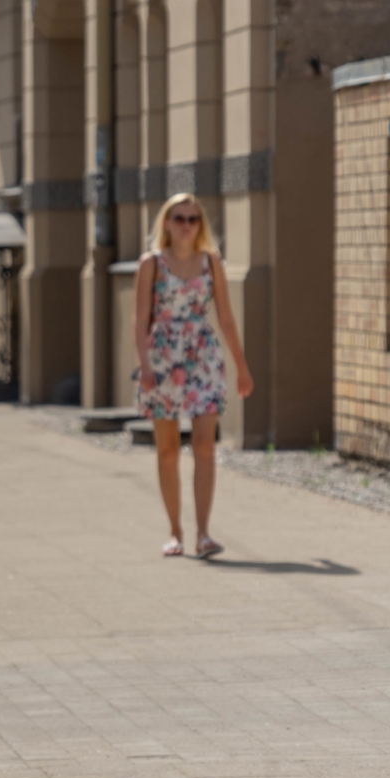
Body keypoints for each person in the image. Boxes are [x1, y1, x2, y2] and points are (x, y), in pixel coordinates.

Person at [133, 192, 254, 559]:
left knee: (204, 446)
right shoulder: (151, 264)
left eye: (193, 219)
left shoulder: (211, 262)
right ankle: (175, 532)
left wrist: (242, 368)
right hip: (164, 360)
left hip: (203, 358)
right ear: (166, 224)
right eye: (179, 218)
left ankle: (203, 533)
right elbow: (140, 321)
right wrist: (145, 366)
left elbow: (227, 319)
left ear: (200, 225)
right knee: (168, 450)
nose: (186, 225)